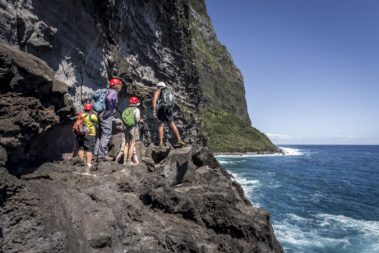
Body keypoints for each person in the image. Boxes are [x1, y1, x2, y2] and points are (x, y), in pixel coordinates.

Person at [94, 77, 123, 161]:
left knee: (100, 134)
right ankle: (102, 155)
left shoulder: (106, 91)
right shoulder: (113, 92)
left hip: (100, 113)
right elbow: (109, 99)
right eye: (120, 85)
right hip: (106, 114)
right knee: (106, 134)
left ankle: (96, 154)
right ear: (116, 85)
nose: (121, 86)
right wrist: (109, 110)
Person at [152, 81, 186, 147]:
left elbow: (154, 101)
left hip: (161, 109)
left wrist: (154, 111)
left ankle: (161, 143)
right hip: (169, 110)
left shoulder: (158, 91)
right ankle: (179, 139)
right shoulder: (168, 91)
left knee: (160, 125)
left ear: (158, 87)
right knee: (172, 123)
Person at [74, 103, 98, 170]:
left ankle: (82, 162)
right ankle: (88, 163)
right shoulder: (93, 116)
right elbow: (97, 121)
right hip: (90, 134)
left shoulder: (80, 115)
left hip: (80, 134)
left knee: (81, 147)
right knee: (89, 149)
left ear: (84, 108)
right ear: (91, 109)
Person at [121, 96, 141, 165]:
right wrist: (140, 121)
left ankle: (124, 161)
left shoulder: (126, 109)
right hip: (133, 127)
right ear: (136, 103)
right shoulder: (136, 109)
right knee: (132, 144)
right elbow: (137, 119)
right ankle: (129, 161)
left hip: (126, 127)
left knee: (126, 144)